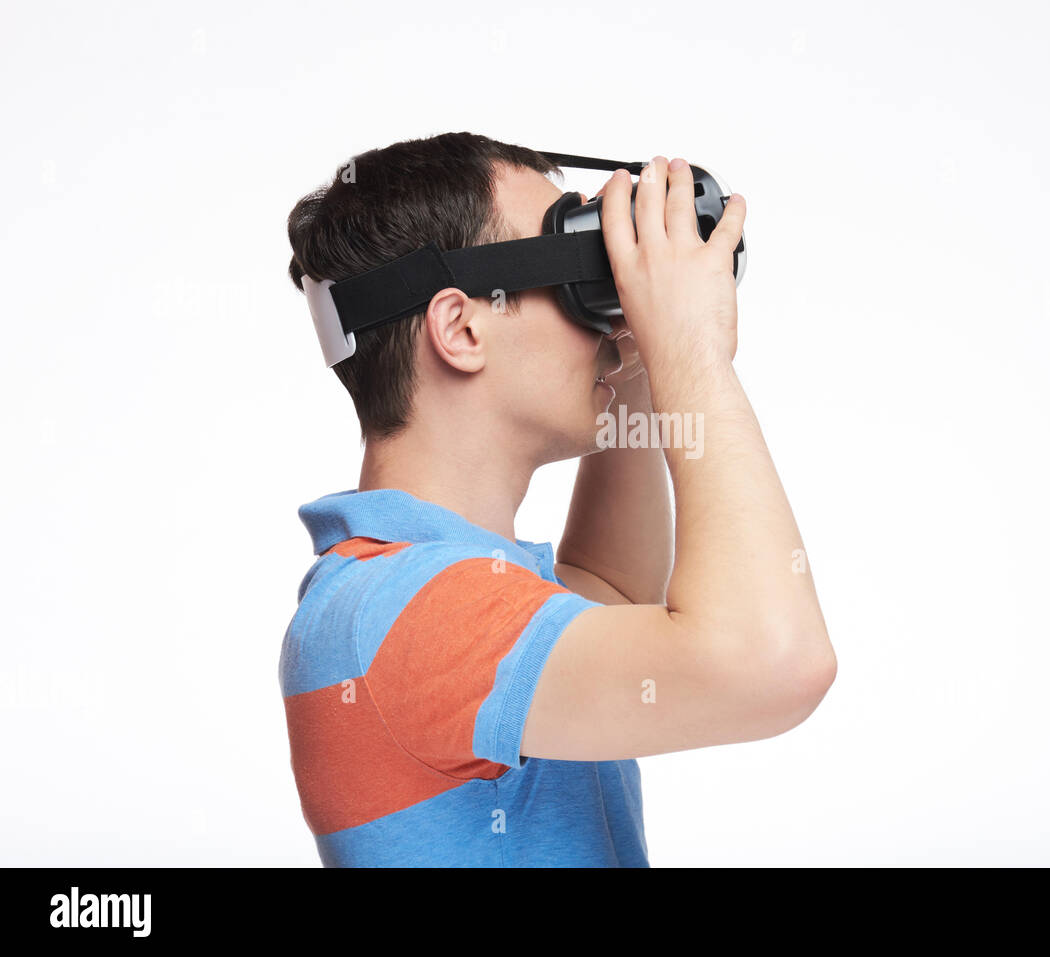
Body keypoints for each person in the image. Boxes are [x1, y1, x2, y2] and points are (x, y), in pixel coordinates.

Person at [280, 132, 836, 866]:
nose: (604, 305)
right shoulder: (404, 610)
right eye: (573, 259)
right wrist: (689, 350)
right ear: (462, 326)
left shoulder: (404, 593)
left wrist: (639, 353)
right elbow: (773, 661)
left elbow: (613, 596)